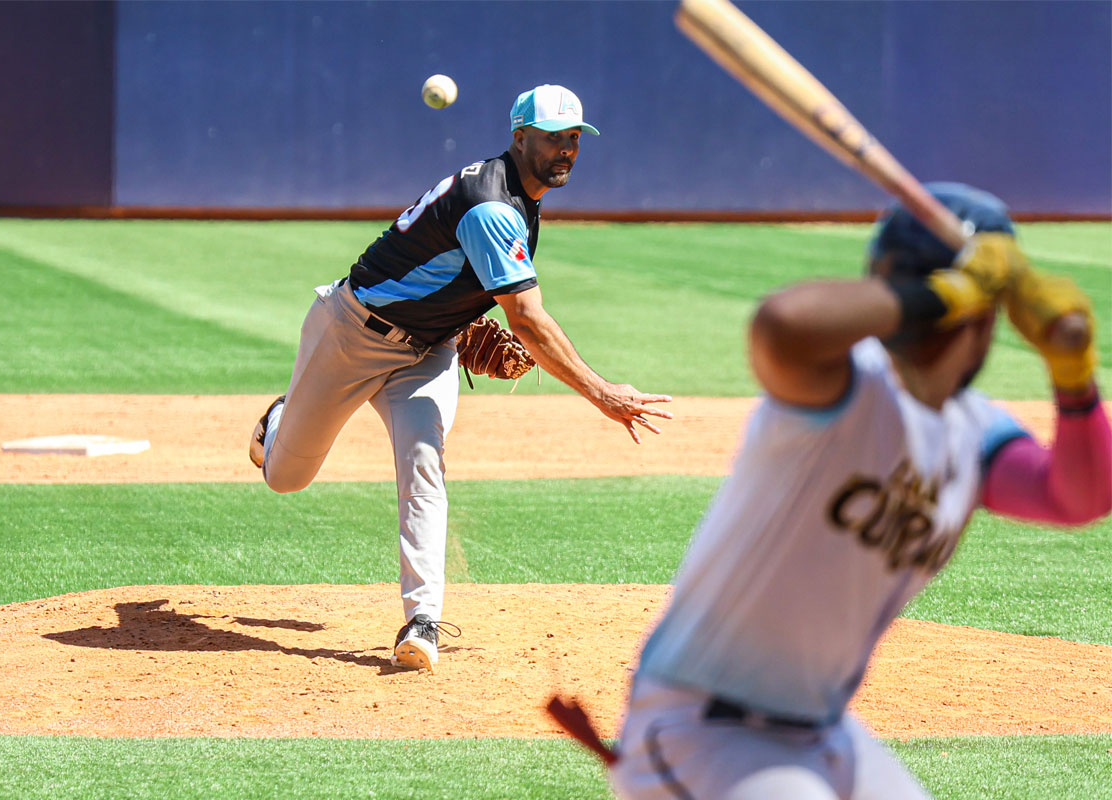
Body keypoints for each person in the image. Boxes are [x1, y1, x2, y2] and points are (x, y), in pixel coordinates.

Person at [609, 183, 1110, 799]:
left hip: (824, 731)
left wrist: (1073, 374)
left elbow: (1077, 497)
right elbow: (781, 325)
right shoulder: (845, 387)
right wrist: (945, 296)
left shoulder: (973, 430)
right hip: (704, 728)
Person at [249, 84, 673, 672]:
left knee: (424, 459)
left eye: (575, 137)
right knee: (285, 478)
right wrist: (602, 393)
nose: (566, 149)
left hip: (426, 351)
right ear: (519, 137)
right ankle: (278, 420)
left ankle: (422, 621)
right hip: (351, 334)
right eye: (553, 137)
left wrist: (454, 315)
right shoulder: (493, 205)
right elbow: (526, 318)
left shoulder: (517, 193)